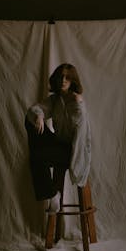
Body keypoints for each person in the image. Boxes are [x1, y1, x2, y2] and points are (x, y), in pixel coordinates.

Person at [25, 63, 91, 214]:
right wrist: (40, 116)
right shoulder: (55, 100)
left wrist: (79, 105)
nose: (63, 80)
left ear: (72, 81)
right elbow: (33, 110)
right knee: (30, 119)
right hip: (58, 145)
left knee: (36, 157)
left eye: (68, 78)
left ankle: (52, 195)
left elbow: (81, 130)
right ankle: (53, 195)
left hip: (72, 151)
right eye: (61, 77)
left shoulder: (77, 102)